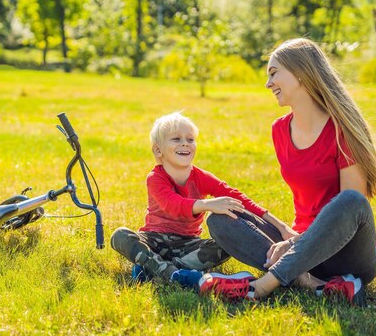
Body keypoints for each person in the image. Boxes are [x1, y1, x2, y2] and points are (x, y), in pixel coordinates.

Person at [207, 38, 376, 306]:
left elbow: (352, 210)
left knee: (351, 201)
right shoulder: (280, 130)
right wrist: (289, 238)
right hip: (300, 248)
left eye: (273, 73)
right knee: (221, 219)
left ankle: (265, 284)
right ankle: (310, 282)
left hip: (347, 254)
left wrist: (294, 246)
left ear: (301, 73)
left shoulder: (343, 130)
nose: (268, 84)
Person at [110, 112, 296, 301]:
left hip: (188, 243)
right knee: (121, 236)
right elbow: (173, 205)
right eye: (176, 139)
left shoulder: (200, 176)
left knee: (226, 242)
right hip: (154, 239)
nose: (185, 143)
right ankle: (174, 274)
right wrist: (208, 204)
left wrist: (280, 226)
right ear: (158, 151)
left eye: (190, 139)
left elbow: (240, 199)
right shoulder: (155, 178)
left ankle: (154, 268)